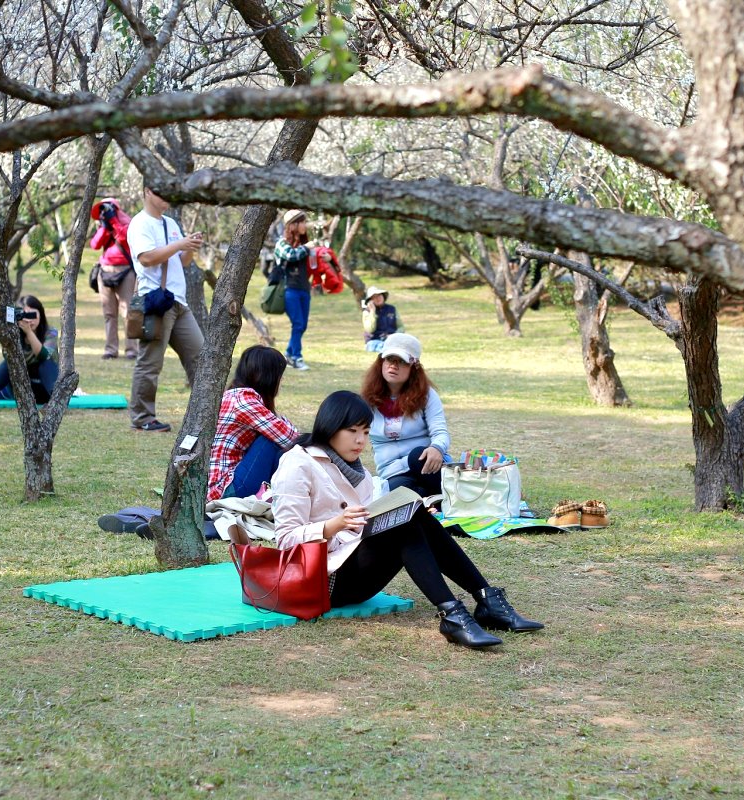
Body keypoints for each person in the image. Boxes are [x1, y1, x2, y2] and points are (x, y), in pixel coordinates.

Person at [270, 390, 543, 649]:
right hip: (321, 582)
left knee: (414, 513)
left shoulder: (359, 471)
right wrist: (335, 525)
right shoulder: (298, 464)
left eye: (365, 432)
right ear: (330, 427)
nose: (360, 441)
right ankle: (453, 614)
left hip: (354, 568)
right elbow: (285, 540)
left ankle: (486, 599)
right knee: (403, 526)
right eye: (352, 431)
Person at [126, 182, 206, 433]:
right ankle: (142, 417)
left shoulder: (170, 224)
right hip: (155, 302)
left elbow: (180, 261)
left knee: (201, 357)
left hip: (178, 301)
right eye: (162, 192)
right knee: (151, 362)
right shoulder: (139, 224)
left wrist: (190, 248)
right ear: (148, 192)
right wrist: (180, 244)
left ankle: (206, 414)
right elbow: (147, 258)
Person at [207, 345, 300, 501]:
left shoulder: (234, 396)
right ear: (268, 377)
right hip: (224, 489)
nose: (281, 381)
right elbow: (290, 438)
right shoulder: (243, 400)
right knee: (271, 441)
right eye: (280, 376)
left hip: (219, 486)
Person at [361, 333, 449, 498]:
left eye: (401, 361)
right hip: (392, 472)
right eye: (389, 359)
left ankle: (442, 496)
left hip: (425, 465)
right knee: (398, 493)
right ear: (381, 362)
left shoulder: (427, 395)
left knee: (417, 455)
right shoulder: (367, 400)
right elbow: (352, 436)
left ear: (414, 367)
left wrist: (436, 448)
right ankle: (432, 500)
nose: (393, 366)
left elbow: (441, 433)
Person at [0, 295, 59, 413]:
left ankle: (56, 403)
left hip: (45, 388)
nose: (30, 320)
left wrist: (29, 332)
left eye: (33, 315)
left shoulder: (50, 332)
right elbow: (7, 355)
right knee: (10, 362)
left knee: (45, 362)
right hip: (22, 389)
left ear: (41, 314)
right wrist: (11, 321)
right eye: (26, 315)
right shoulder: (14, 332)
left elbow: (43, 355)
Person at [89, 197, 137, 360]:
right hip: (105, 271)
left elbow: (126, 239)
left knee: (128, 312)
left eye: (107, 208)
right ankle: (111, 349)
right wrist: (104, 226)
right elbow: (95, 244)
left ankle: (131, 350)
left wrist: (114, 222)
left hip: (125, 271)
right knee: (109, 314)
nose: (104, 212)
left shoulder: (127, 221)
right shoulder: (104, 223)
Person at [272, 209, 312, 371]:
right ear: (293, 225)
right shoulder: (282, 243)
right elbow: (291, 255)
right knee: (298, 323)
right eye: (302, 222)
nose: (305, 225)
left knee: (302, 326)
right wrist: (308, 248)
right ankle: (296, 357)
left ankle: (288, 354)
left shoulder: (304, 245)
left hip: (304, 289)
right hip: (289, 290)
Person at [361, 285, 404, 352]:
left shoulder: (392, 309)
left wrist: (394, 335)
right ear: (370, 301)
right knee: (380, 346)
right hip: (374, 341)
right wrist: (372, 311)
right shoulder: (366, 312)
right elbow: (370, 329)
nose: (377, 298)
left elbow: (401, 327)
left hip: (391, 339)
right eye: (374, 297)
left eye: (379, 295)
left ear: (383, 296)